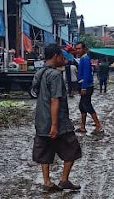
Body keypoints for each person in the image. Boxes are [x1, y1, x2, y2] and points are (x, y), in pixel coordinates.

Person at [31, 44, 82, 191]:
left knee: (45, 150)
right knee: (72, 149)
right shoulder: (55, 75)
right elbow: (55, 100)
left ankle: (47, 182)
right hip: (57, 121)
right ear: (55, 56)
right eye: (61, 56)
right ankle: (64, 180)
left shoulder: (39, 73)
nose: (63, 59)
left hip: (41, 120)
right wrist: (54, 125)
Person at [75, 42, 103, 134]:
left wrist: (84, 87)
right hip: (84, 85)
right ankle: (82, 127)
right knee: (82, 106)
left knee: (87, 105)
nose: (78, 50)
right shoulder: (83, 59)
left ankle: (98, 125)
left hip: (86, 86)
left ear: (84, 49)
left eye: (79, 49)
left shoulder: (86, 59)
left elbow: (87, 74)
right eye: (77, 49)